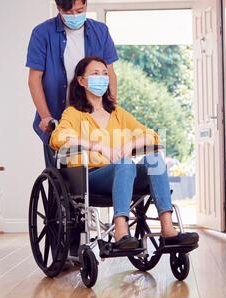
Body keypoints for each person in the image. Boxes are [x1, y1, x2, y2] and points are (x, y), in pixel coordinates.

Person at [50, 56, 199, 250]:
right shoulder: (73, 114)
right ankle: (121, 229)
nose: (102, 78)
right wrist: (98, 146)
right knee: (125, 164)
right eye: (95, 74)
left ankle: (167, 228)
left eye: (105, 74)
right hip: (91, 176)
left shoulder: (117, 113)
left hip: (124, 173)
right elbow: (58, 138)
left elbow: (151, 136)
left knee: (154, 158)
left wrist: (130, 145)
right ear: (81, 81)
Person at [26, 0, 119, 167]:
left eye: (79, 10)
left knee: (101, 172)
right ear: (59, 8)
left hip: (93, 118)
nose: (75, 16)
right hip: (57, 119)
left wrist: (111, 107)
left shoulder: (100, 32)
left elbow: (110, 74)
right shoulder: (42, 33)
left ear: (86, 5)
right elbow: (34, 80)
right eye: (68, 13)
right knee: (62, 179)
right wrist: (46, 116)